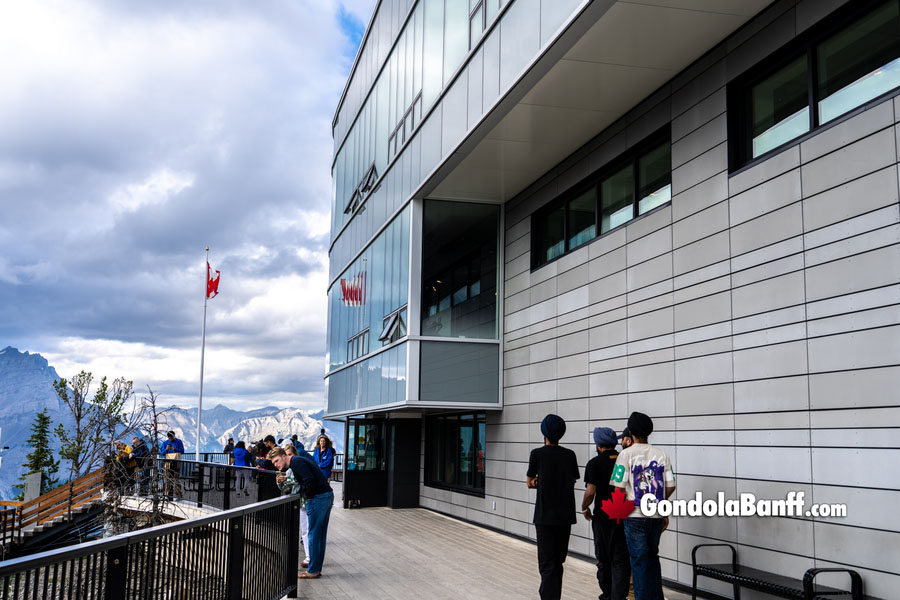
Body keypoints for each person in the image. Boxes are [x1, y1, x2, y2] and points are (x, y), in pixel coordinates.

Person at [610, 412, 676, 600]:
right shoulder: (662, 455)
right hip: (655, 514)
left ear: (630, 432)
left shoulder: (625, 455)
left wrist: (621, 509)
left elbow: (618, 488)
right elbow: (671, 485)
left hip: (634, 516)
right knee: (653, 558)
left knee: (638, 562)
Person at [526, 414, 580, 600]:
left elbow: (529, 482)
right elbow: (572, 482)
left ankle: (549, 596)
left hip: (544, 516)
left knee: (547, 563)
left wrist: (539, 482)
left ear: (544, 433)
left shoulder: (537, 454)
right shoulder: (570, 455)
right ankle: (550, 594)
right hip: (565, 516)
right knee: (558, 562)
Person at [270, 446, 333, 579]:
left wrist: (309, 497)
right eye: (274, 463)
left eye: (276, 461)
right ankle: (315, 568)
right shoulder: (298, 461)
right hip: (326, 495)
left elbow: (309, 479)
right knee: (319, 535)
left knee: (313, 535)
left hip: (317, 498)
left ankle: (313, 570)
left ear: (283, 456)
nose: (276, 465)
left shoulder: (295, 463)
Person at [582, 427, 630, 600]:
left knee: (603, 559)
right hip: (624, 515)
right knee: (621, 560)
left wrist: (584, 507)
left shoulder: (594, 463)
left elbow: (590, 492)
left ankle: (608, 595)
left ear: (598, 444)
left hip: (602, 518)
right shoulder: (625, 460)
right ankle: (619, 597)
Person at [277, 444, 312, 568]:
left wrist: (287, 480)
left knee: (309, 530)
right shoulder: (290, 470)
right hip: (302, 502)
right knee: (305, 530)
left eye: (289, 454)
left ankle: (311, 556)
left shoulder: (297, 466)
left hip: (309, 500)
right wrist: (281, 482)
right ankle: (309, 556)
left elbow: (299, 482)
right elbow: (289, 487)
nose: (287, 458)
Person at [159, 430, 184, 498]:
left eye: (172, 438)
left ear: (174, 436)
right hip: (167, 463)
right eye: (169, 438)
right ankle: (168, 494)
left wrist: (174, 449)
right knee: (167, 478)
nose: (171, 439)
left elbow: (182, 451)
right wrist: (166, 449)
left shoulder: (179, 442)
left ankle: (178, 494)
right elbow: (162, 453)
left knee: (176, 479)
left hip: (176, 462)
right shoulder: (165, 443)